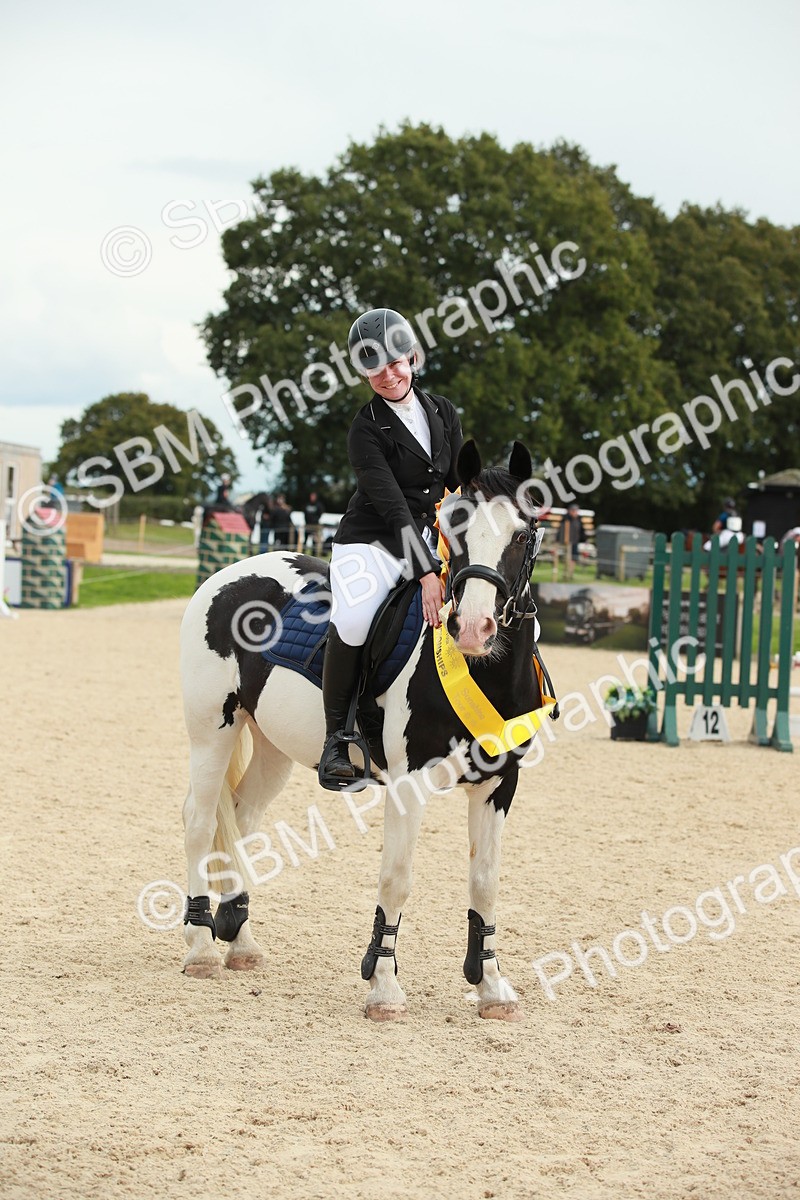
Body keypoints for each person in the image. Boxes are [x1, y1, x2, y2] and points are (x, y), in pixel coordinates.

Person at [320, 307, 463, 787]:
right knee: (356, 618)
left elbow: (459, 484)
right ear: (364, 373)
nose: (388, 375)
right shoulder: (365, 429)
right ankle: (336, 740)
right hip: (371, 541)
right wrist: (426, 573)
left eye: (395, 363)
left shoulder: (442, 410)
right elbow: (392, 506)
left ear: (414, 357)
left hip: (426, 536)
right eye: (374, 368)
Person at [558, 502, 585, 581]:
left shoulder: (579, 520)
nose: (575, 512)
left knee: (573, 558)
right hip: (566, 542)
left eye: (576, 511)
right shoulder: (565, 519)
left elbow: (581, 531)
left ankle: (570, 573)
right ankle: (566, 573)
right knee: (567, 557)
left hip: (575, 541)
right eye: (573, 511)